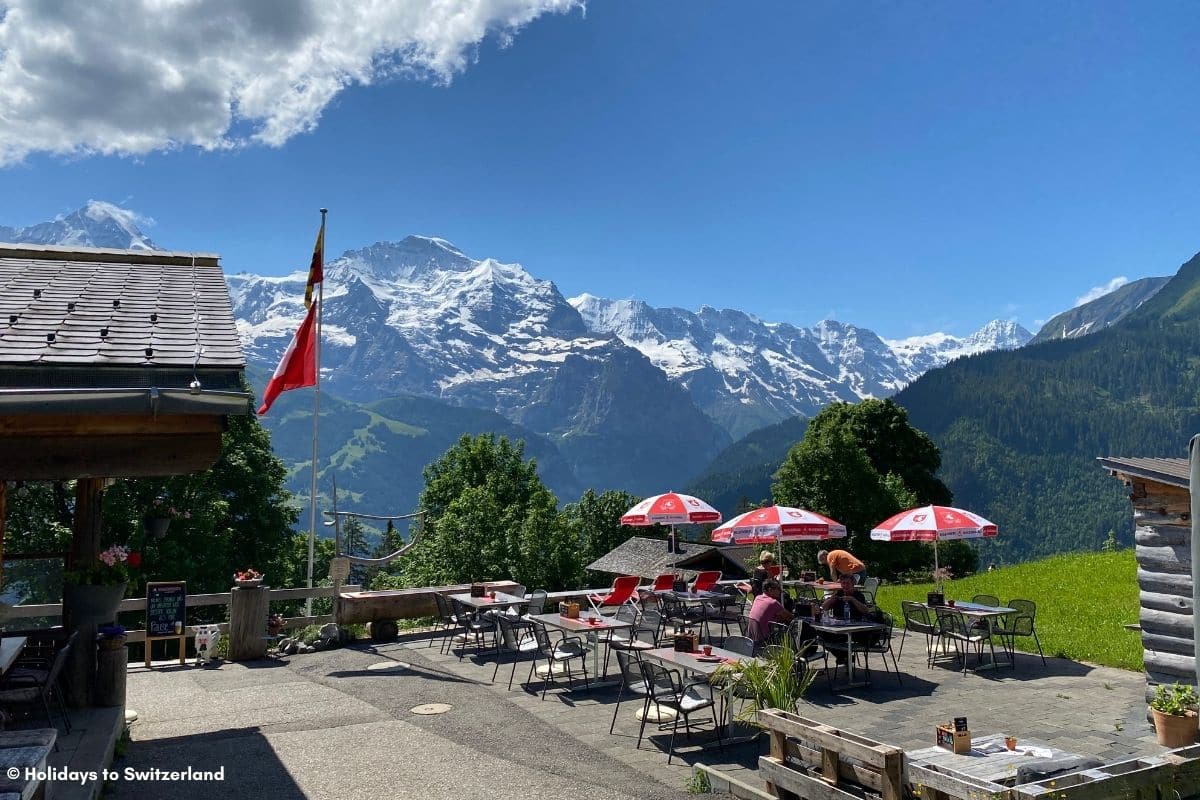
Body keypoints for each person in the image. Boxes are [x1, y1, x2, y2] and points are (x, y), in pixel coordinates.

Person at [746, 578, 793, 648]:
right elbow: (790, 618)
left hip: (752, 638)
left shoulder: (757, 598)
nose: (781, 591)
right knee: (793, 627)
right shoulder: (773, 603)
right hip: (765, 640)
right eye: (778, 589)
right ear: (770, 590)